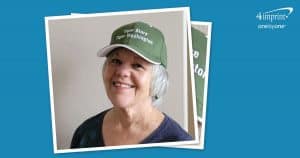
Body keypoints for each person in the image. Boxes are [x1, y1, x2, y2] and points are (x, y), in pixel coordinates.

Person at [71, 21, 192, 148]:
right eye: (116, 61)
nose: (122, 72)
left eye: (137, 65)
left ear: (157, 79)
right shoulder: (85, 133)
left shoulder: (178, 142)